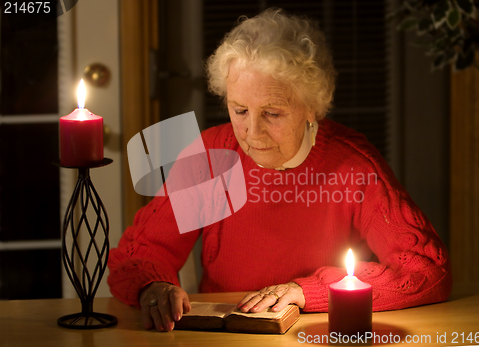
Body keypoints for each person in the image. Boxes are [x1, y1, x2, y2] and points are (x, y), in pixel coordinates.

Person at [108, 8, 452, 332]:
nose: (252, 133)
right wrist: (154, 286)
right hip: (226, 337)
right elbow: (139, 256)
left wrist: (307, 292)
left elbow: (426, 270)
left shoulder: (354, 164)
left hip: (323, 331)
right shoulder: (212, 156)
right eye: (240, 110)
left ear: (312, 108)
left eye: (272, 113)